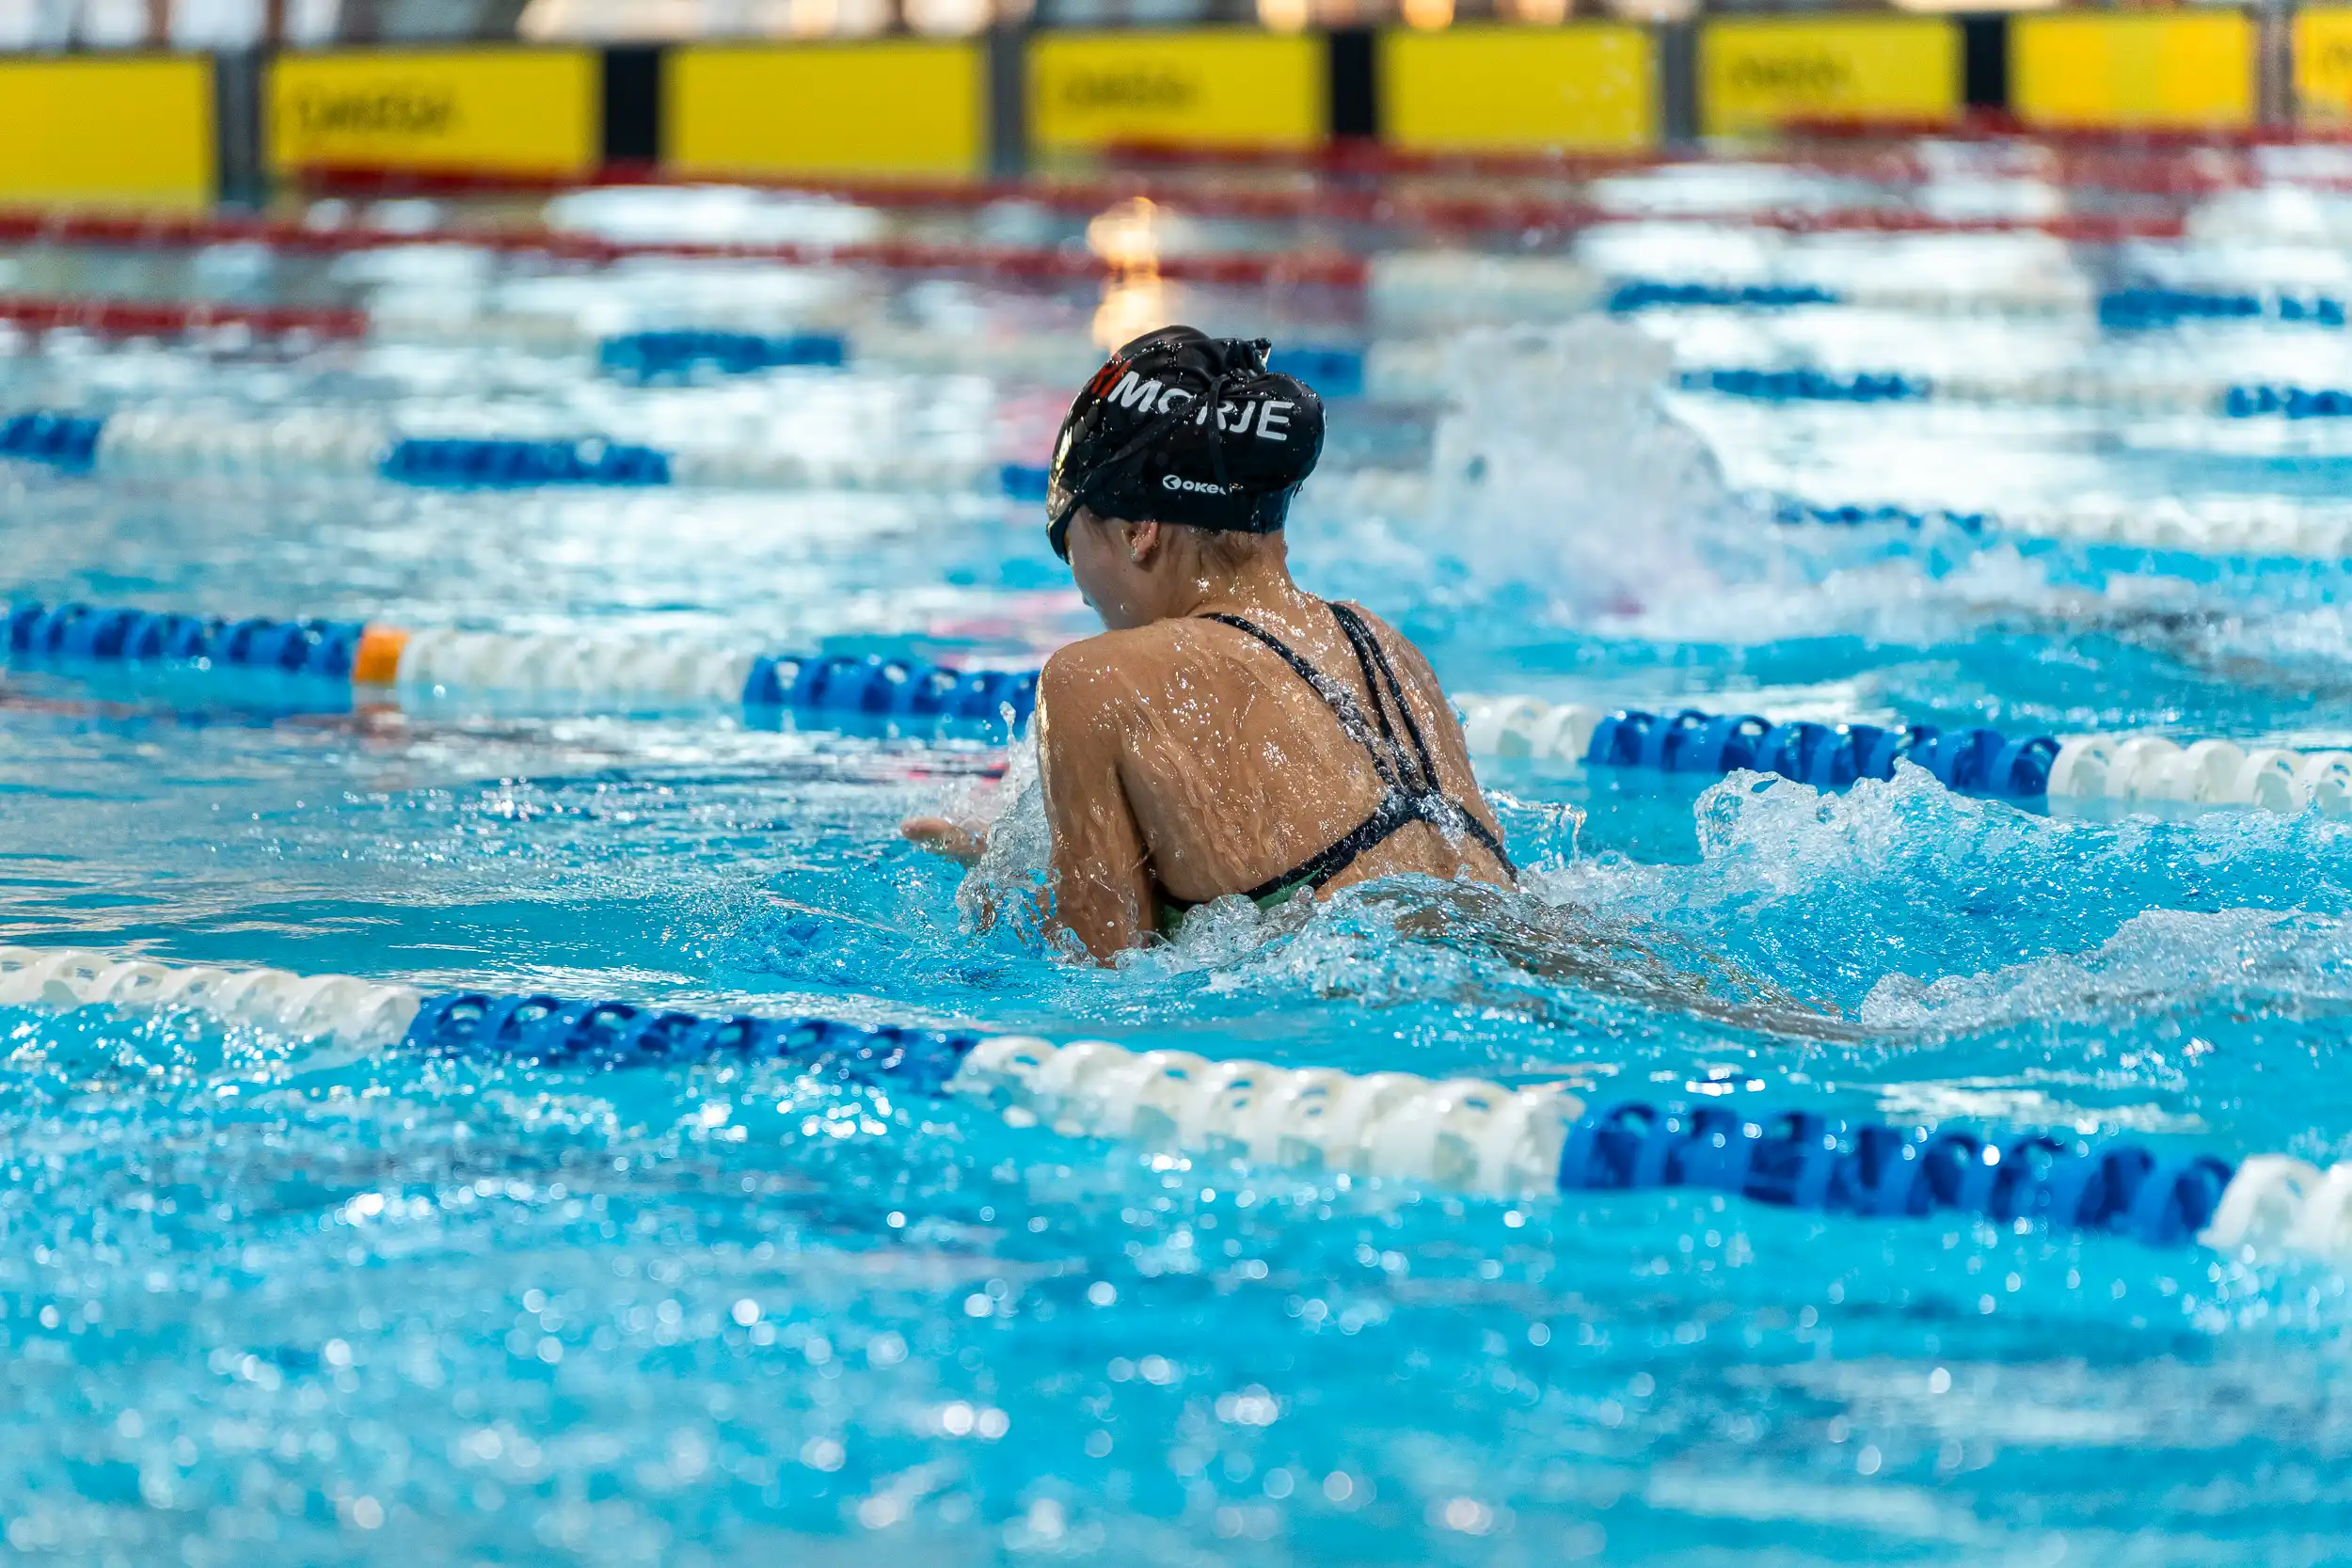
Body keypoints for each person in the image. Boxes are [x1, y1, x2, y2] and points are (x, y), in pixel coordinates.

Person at [903, 326, 1514, 961]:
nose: (1079, 579)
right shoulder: (1387, 646)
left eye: (1071, 540)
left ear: (1141, 529)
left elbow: (1098, 971)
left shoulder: (1092, 681)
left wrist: (1006, 897)